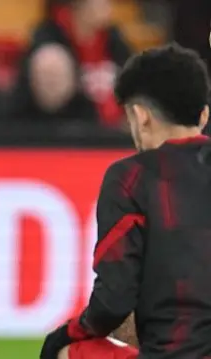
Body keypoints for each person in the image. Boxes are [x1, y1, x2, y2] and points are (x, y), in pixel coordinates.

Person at [40, 43, 211, 359]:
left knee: (66, 352)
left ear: (140, 115)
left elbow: (113, 301)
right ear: (204, 116)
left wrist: (62, 335)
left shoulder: (131, 177)